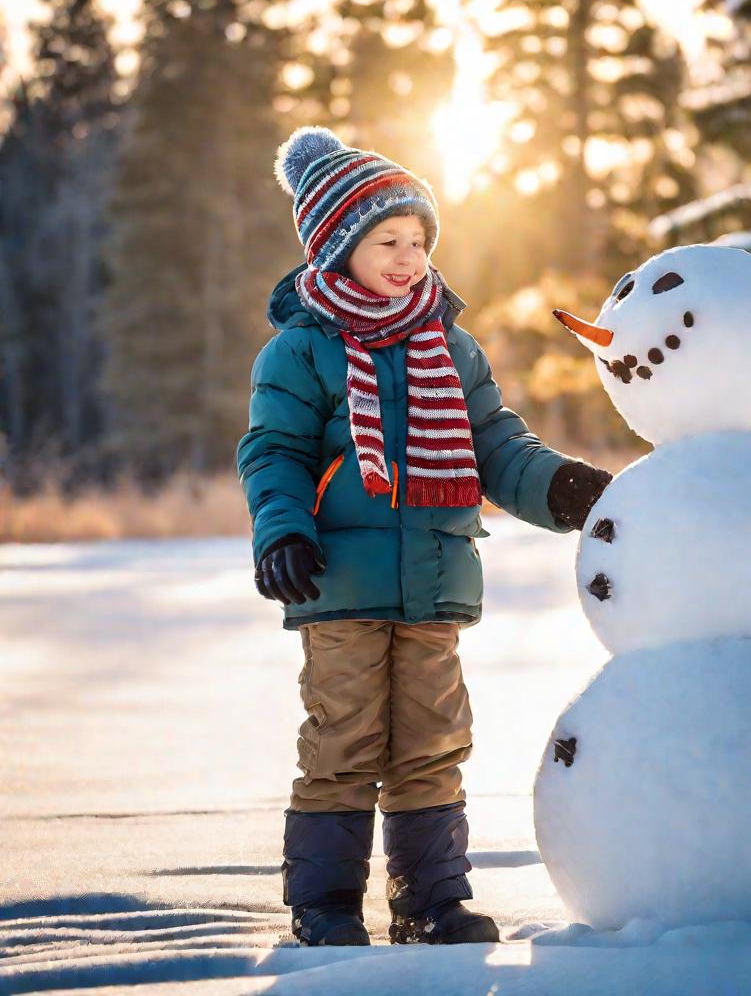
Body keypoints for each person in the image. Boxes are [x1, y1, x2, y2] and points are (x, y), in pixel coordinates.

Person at [236, 127, 611, 947]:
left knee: (434, 743)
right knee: (344, 739)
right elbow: (276, 452)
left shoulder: (450, 345)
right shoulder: (302, 350)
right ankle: (327, 904)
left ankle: (429, 902)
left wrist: (556, 485)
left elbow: (494, 443)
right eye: (386, 241)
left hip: (436, 579)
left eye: (417, 240)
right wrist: (282, 529)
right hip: (338, 580)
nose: (408, 259)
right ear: (337, 249)